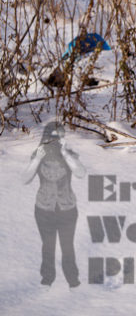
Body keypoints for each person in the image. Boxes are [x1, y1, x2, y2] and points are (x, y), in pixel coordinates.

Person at [25, 122, 84, 287]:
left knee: (68, 246)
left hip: (68, 210)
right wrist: (37, 159)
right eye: (51, 137)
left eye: (58, 137)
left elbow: (80, 173)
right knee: (48, 246)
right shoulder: (38, 154)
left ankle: (73, 280)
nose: (54, 141)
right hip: (44, 210)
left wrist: (66, 155)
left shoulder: (69, 154)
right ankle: (47, 280)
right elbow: (25, 178)